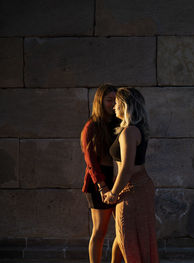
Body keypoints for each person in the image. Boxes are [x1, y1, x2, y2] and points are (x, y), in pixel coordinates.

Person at [104, 87, 159, 263]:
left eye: (117, 103)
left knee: (127, 235)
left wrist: (113, 193)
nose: (113, 107)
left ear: (126, 106)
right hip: (138, 187)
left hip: (133, 190)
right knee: (126, 235)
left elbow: (126, 168)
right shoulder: (135, 129)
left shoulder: (129, 132)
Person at [80, 85, 120, 263]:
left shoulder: (121, 123)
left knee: (123, 230)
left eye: (115, 100)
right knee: (99, 231)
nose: (113, 104)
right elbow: (91, 162)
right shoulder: (92, 126)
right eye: (109, 100)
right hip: (99, 182)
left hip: (119, 178)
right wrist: (102, 186)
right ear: (100, 101)